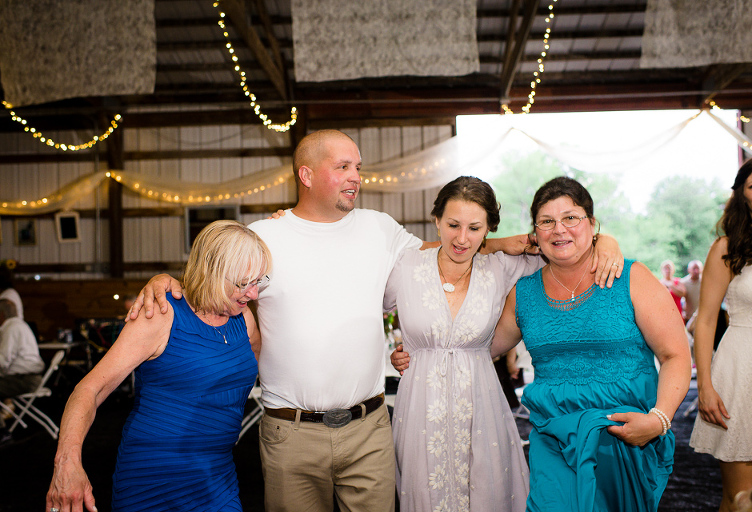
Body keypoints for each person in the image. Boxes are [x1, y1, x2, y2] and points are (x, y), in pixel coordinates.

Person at [130, 130, 623, 512]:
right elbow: (214, 275)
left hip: (368, 427)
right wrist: (163, 281)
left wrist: (598, 241)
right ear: (306, 175)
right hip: (291, 429)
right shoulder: (267, 237)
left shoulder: (379, 229)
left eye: (358, 167)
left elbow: (449, 254)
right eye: (343, 166)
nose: (356, 176)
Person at [481, 176, 691, 511]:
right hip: (556, 439)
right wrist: (422, 352)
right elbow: (480, 349)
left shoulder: (631, 278)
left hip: (626, 437)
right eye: (547, 221)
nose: (559, 229)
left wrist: (659, 419)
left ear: (592, 224)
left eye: (571, 218)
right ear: (535, 233)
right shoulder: (523, 293)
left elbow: (675, 355)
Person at [46, 220, 270, 512]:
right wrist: (67, 462)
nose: (253, 294)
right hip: (153, 481)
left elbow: (260, 364)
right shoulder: (161, 315)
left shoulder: (244, 319)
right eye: (244, 283)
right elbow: (90, 388)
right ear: (212, 272)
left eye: (259, 281)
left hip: (217, 478)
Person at [384, 177, 561, 511]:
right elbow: (361, 310)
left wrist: (605, 242)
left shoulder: (503, 267)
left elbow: (565, 251)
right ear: (435, 220)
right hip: (421, 404)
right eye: (452, 225)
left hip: (482, 403)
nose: (461, 238)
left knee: (485, 493)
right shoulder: (404, 266)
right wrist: (391, 355)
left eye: (474, 228)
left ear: (489, 229)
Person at [689, 155, 752, 512]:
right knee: (742, 499)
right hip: (744, 370)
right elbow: (705, 321)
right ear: (742, 195)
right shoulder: (726, 249)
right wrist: (704, 386)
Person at [0, 299, 44, 432]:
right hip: (31, 378)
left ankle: (1, 432)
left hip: (26, 380)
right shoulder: (20, 325)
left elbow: (2, 362)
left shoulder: (11, 328)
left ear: (1, 314)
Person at [680, 260, 703, 324]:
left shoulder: (705, 282)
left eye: (698, 268)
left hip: (702, 317)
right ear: (689, 270)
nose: (696, 271)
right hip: (688, 317)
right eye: (694, 268)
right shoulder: (683, 282)